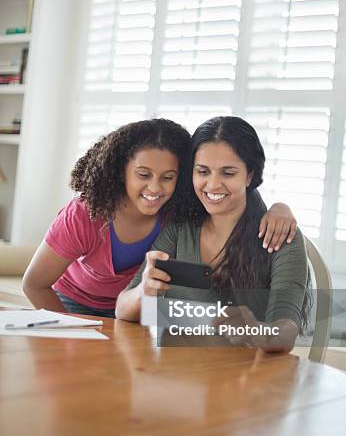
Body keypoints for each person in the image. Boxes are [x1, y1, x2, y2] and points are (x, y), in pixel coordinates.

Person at [23, 118, 298, 318]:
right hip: (75, 304)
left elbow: (234, 198)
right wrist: (69, 331)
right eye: (143, 175)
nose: (155, 188)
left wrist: (279, 207)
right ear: (121, 172)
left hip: (137, 309)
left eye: (168, 177)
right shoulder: (87, 213)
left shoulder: (176, 209)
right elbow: (34, 283)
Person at [116, 116, 309, 353]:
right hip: (177, 374)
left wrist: (255, 329)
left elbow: (286, 331)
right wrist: (144, 290)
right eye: (203, 171)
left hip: (243, 379)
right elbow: (122, 309)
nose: (213, 184)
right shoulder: (180, 228)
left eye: (228, 173)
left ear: (249, 176)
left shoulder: (280, 237)